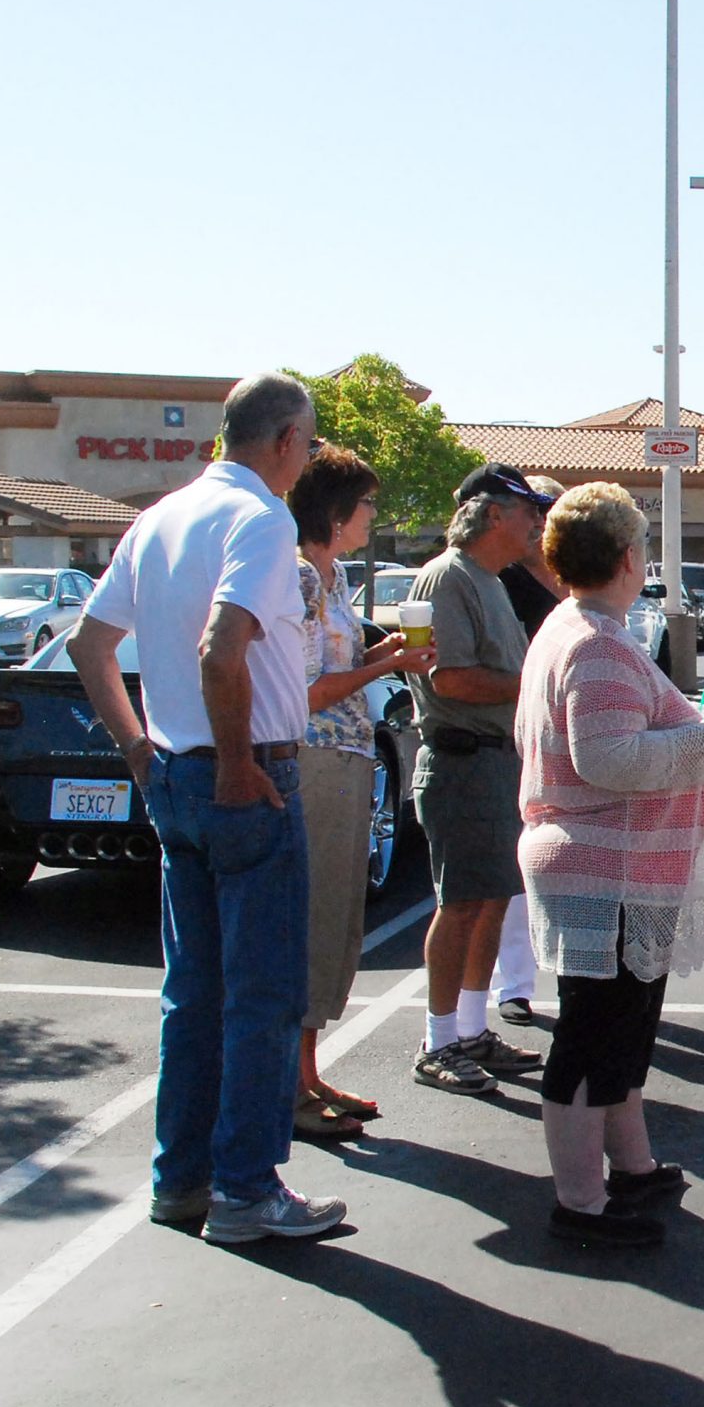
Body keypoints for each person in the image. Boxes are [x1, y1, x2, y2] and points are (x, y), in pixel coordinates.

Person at [71, 371, 345, 1244]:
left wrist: (138, 747)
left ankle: (181, 1179)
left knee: (193, 994)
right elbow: (222, 649)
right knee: (262, 993)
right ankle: (245, 1190)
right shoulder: (261, 520)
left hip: (176, 777)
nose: (305, 460)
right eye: (306, 443)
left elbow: (89, 641)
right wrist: (233, 763)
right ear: (282, 440)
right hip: (243, 775)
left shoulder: (161, 516)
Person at [515, 484, 704, 1246]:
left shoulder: (578, 627)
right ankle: (580, 1201)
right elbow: (607, 758)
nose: (644, 557)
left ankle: (632, 1165)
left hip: (612, 868)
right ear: (624, 558)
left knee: (621, 1029)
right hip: (598, 868)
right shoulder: (595, 642)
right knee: (592, 1034)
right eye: (643, 544)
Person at [289, 448, 435, 1138]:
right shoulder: (298, 579)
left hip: (350, 759)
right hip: (314, 759)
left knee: (340, 919)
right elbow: (309, 689)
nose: (373, 515)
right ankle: (290, 1087)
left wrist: (393, 657)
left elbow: (342, 666)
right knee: (315, 917)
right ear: (337, 511)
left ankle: (308, 1075)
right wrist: (395, 660)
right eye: (367, 504)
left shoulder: (334, 575)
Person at [404, 462, 555, 1093]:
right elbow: (451, 679)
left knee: (491, 901)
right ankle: (439, 1042)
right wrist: (538, 685)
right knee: (461, 904)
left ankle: (468, 1031)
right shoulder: (448, 577)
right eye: (527, 512)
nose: (535, 525)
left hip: (494, 762)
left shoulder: (491, 579)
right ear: (494, 514)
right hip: (462, 761)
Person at [493, 473, 567, 1031]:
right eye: (534, 509)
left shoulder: (575, 577)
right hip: (516, 735)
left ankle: (578, 977)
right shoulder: (503, 580)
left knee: (575, 863)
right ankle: (513, 986)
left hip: (574, 734)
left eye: (551, 509)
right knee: (520, 864)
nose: (542, 520)